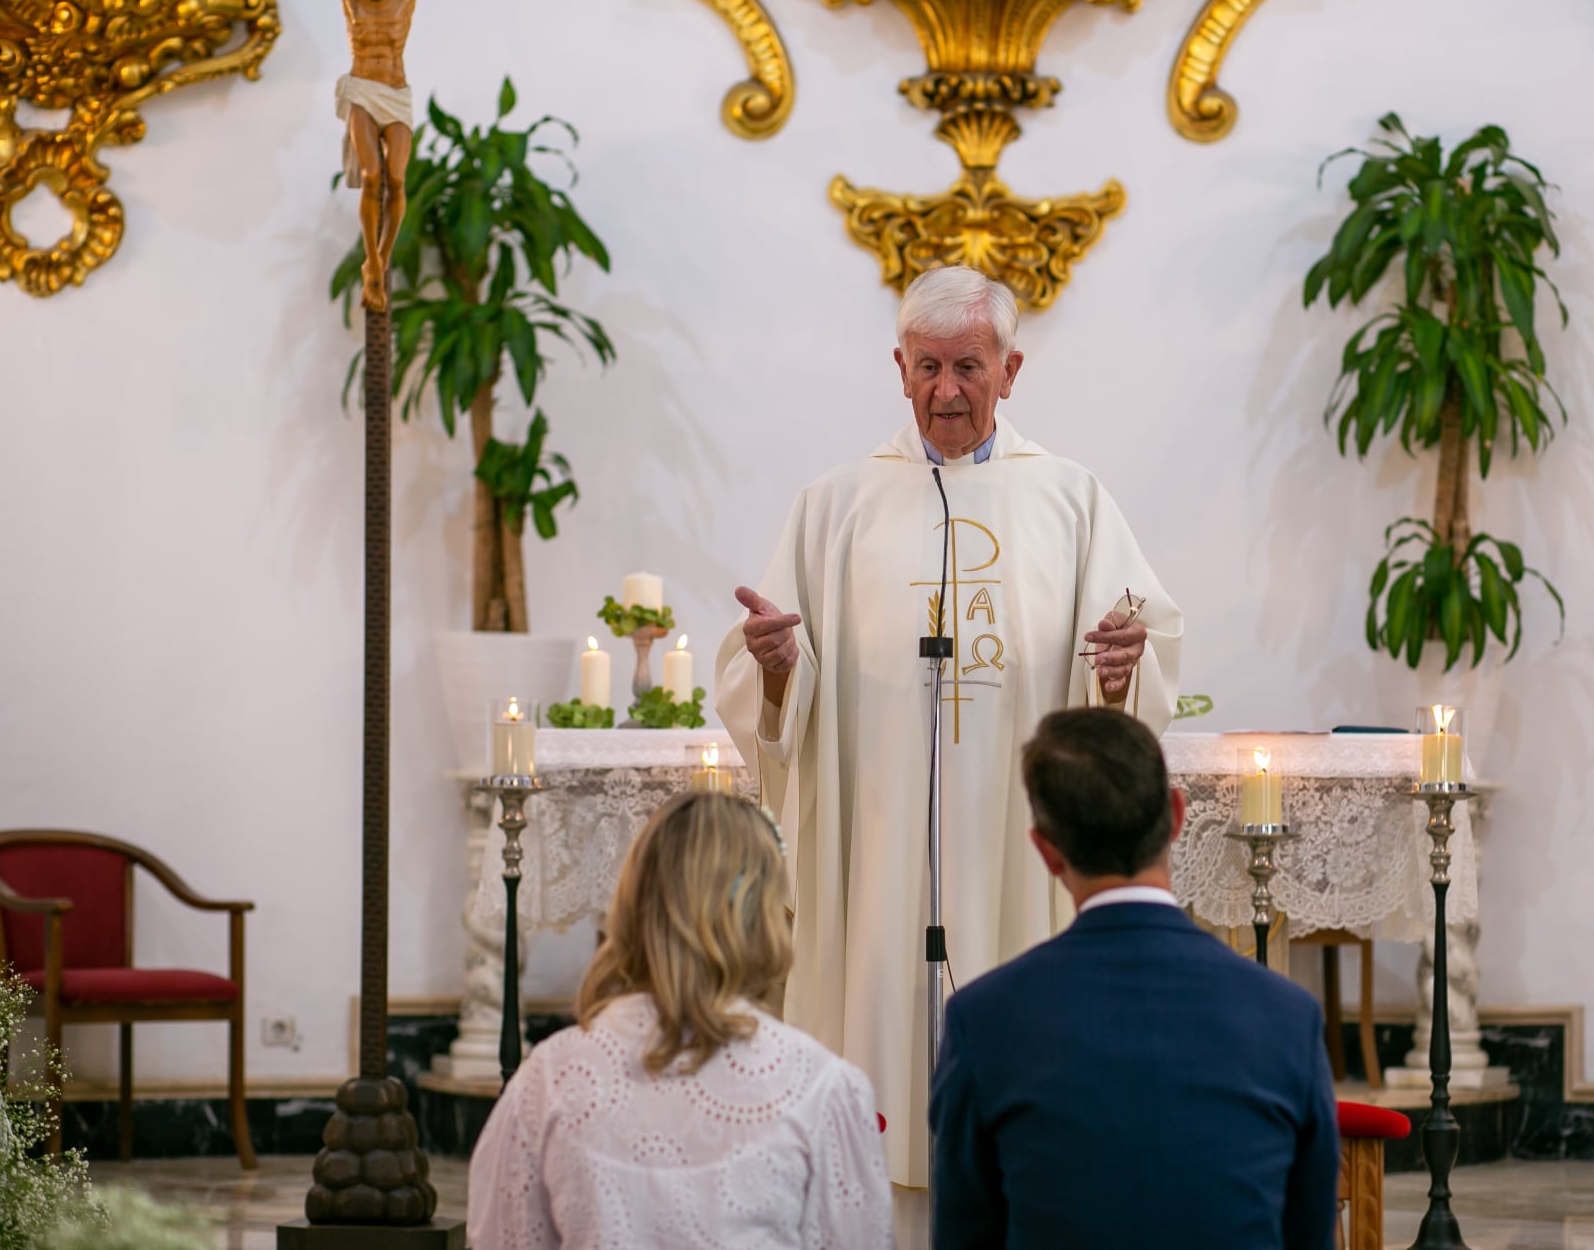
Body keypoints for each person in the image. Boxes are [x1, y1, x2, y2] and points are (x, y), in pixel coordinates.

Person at [714, 265, 1184, 1183]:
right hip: (877, 841)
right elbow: (778, 688)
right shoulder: (835, 506)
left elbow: (1131, 653)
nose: (947, 389)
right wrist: (777, 670)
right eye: (927, 366)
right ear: (898, 368)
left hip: (1018, 836)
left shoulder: (1070, 500)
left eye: (968, 366)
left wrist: (1120, 672)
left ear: (1011, 371)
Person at [930, 708, 1339, 1249]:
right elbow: (1308, 1234)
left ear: (1047, 851)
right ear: (1175, 815)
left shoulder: (984, 1021)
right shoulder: (1287, 1015)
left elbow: (965, 1235)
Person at [467, 791, 895, 1249]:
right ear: (764, 911)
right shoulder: (823, 1087)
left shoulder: (549, 1078)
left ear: (631, 901)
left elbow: (503, 1236)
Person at [212, 0, 541, 308]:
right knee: (372, 176)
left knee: (397, 179)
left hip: (396, 94)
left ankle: (381, 262)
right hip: (362, 90)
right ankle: (371, 261)